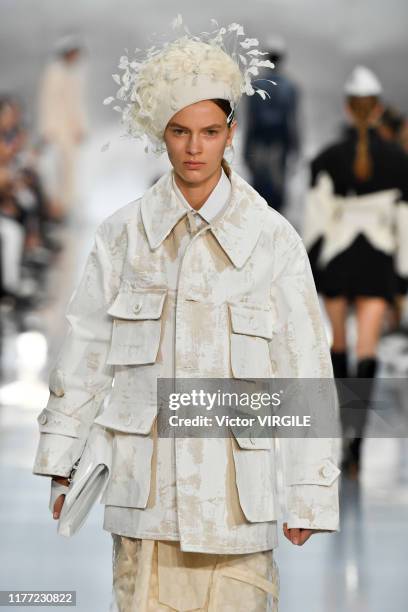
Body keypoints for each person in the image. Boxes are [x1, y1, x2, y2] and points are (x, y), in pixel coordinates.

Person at [33, 18, 340, 612]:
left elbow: (304, 369)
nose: (194, 148)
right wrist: (63, 458)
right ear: (161, 135)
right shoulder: (123, 236)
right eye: (179, 131)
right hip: (144, 501)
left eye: (208, 131)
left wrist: (308, 493)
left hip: (235, 507)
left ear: (230, 133)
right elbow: (89, 348)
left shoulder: (272, 240)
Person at [302, 66, 408, 479]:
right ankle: (357, 446)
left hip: (338, 259)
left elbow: (316, 218)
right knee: (367, 350)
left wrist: (311, 264)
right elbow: (404, 223)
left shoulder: (326, 159)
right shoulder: (400, 161)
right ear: (378, 109)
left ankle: (341, 432)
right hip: (378, 260)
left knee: (339, 348)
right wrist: (402, 277)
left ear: (348, 110)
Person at [243, 35, 299, 213]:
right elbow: (293, 122)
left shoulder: (256, 85)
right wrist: (296, 150)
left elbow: (251, 122)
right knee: (277, 195)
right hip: (279, 147)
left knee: (259, 197)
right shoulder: (290, 87)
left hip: (259, 146)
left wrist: (246, 150)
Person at [37, 34, 88, 217]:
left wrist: (80, 126)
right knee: (55, 170)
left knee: (70, 170)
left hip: (69, 130)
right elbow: (47, 102)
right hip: (56, 130)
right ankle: (53, 210)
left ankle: (65, 208)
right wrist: (48, 129)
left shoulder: (73, 73)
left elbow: (76, 103)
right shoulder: (54, 71)